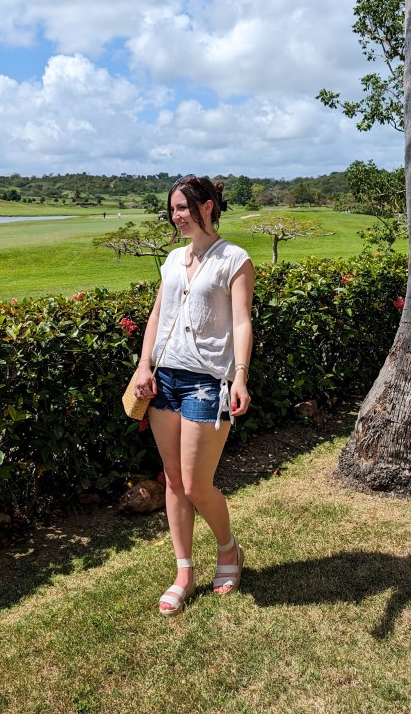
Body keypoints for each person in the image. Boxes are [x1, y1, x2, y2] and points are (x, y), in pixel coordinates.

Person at [133, 175, 253, 616]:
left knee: (197, 484)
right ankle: (184, 571)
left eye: (183, 207)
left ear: (207, 207)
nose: (175, 216)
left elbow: (241, 322)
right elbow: (157, 314)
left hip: (208, 381)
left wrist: (240, 375)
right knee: (173, 480)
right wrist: (144, 365)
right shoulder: (170, 260)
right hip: (165, 380)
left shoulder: (234, 260)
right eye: (172, 209)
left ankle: (228, 549)